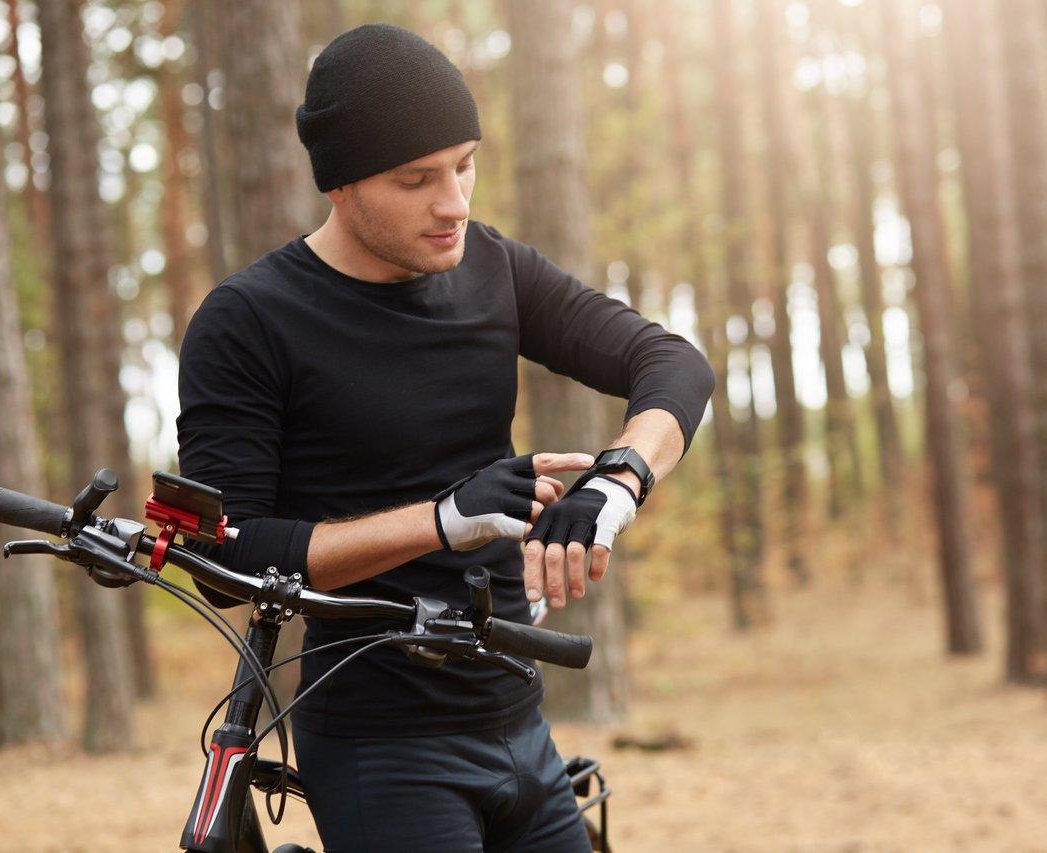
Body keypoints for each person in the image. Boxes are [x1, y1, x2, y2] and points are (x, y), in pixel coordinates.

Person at [177, 22, 714, 852]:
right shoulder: (250, 321)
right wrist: (442, 519)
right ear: (342, 184)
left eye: (464, 164)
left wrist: (620, 478)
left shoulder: (493, 269)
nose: (454, 202)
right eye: (417, 178)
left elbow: (671, 361)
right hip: (378, 745)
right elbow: (229, 558)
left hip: (518, 718)